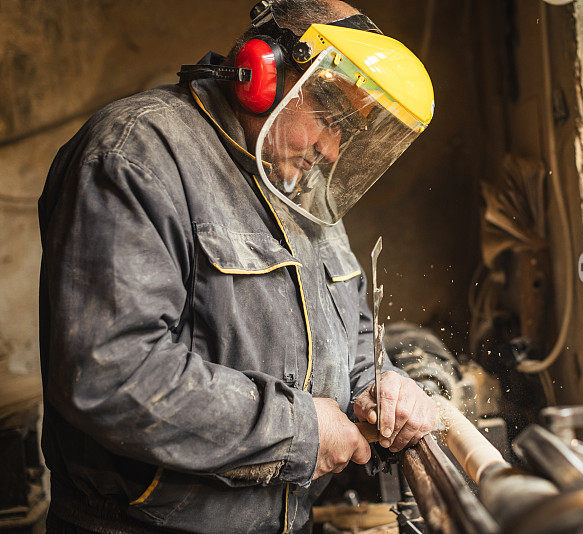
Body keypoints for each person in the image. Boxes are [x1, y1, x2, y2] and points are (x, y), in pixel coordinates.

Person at [37, 1, 437, 532]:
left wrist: (380, 387)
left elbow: (352, 336)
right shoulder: (136, 155)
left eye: (350, 130)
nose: (332, 149)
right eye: (330, 117)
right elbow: (110, 371)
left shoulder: (300, 186)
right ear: (261, 71)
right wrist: (300, 431)